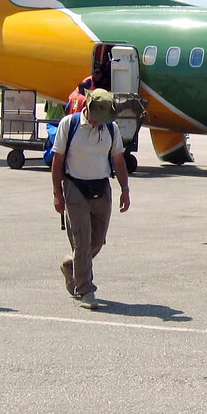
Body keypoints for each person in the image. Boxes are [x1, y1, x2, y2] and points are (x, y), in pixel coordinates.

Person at [51, 89, 130, 310]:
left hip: (101, 188)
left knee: (97, 241)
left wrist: (125, 188)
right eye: (98, 116)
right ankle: (85, 290)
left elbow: (118, 159)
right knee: (82, 242)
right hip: (75, 187)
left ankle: (71, 266)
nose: (100, 122)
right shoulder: (69, 124)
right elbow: (57, 161)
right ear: (88, 109)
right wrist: (57, 194)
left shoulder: (111, 129)